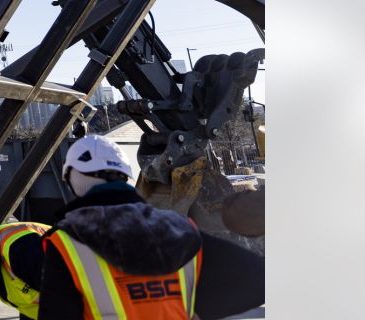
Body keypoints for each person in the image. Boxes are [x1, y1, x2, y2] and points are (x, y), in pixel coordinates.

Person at [38, 135, 265, 319]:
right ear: (125, 177)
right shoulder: (179, 229)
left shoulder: (67, 242)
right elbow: (259, 280)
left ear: (72, 180)